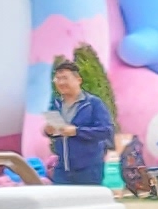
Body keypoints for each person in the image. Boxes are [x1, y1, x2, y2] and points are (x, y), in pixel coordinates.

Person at [40, 57, 114, 186]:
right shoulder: (56, 104)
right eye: (58, 79)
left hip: (88, 169)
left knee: (88, 198)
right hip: (62, 168)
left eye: (65, 78)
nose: (61, 82)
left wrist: (77, 131)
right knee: (59, 198)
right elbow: (54, 130)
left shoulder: (93, 103)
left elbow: (106, 130)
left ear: (78, 80)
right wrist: (48, 131)